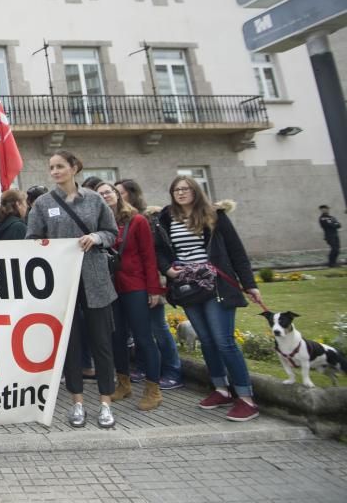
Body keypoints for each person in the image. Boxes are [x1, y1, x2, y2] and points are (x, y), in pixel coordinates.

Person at [155, 176, 263, 421]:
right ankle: (221, 389)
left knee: (224, 340)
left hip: (216, 285)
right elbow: (159, 250)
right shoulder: (165, 217)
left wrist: (250, 284)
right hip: (187, 286)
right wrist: (167, 269)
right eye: (176, 190)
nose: (181, 193)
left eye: (186, 189)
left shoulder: (215, 215)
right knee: (206, 339)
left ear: (196, 191)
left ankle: (246, 398)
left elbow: (237, 251)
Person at [26, 151, 118, 429]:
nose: (55, 171)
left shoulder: (94, 199)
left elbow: (111, 232)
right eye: (51, 167)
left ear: (74, 168)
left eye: (60, 166)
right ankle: (77, 403)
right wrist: (47, 247)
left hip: (95, 281)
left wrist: (97, 236)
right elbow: (31, 239)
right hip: (61, 283)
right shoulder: (42, 204)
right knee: (71, 345)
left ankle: (105, 403)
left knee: (102, 344)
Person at [96, 183, 163, 411]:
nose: (105, 195)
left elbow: (149, 256)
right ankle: (123, 383)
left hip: (135, 285)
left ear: (117, 195)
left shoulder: (137, 221)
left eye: (108, 191)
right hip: (111, 288)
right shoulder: (99, 224)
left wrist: (154, 289)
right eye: (100, 194)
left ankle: (153, 388)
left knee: (144, 337)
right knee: (116, 337)